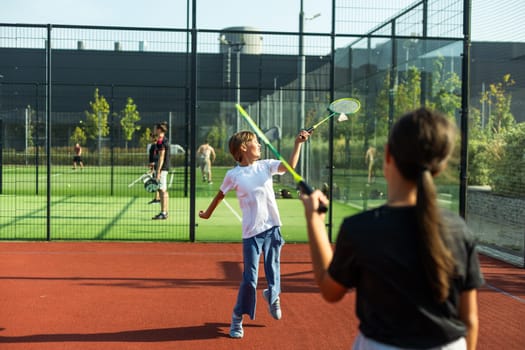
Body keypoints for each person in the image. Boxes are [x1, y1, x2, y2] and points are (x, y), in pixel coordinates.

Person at [301, 108, 483, 350]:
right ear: (440, 165)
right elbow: (469, 320)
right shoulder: (459, 230)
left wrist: (314, 220)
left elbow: (330, 291)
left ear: (387, 154)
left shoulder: (361, 229)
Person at [199, 129, 310, 339]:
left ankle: (273, 295)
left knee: (273, 269)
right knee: (249, 279)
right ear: (243, 148)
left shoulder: (266, 166)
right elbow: (220, 195)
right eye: (255, 142)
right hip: (251, 234)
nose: (259, 145)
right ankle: (237, 317)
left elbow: (289, 167)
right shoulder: (234, 175)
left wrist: (298, 144)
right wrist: (207, 214)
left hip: (272, 228)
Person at [152, 122, 170, 220]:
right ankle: (165, 211)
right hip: (164, 168)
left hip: (162, 169)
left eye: (155, 128)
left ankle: (163, 213)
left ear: (159, 129)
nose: (154, 130)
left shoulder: (161, 140)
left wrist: (158, 171)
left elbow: (161, 157)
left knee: (162, 190)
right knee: (163, 190)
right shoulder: (164, 140)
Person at [147, 130, 161, 205]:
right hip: (154, 166)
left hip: (156, 166)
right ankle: (157, 198)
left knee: (156, 182)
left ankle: (158, 198)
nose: (150, 139)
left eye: (151, 137)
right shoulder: (154, 146)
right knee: (155, 181)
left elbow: (155, 157)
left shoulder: (155, 146)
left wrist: (153, 165)